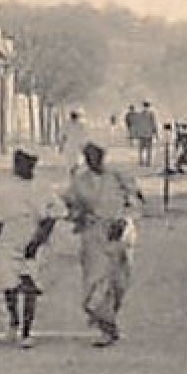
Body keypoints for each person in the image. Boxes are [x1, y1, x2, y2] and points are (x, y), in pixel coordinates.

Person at [63, 143, 143, 347]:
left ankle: (108, 317)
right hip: (94, 233)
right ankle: (107, 326)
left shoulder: (118, 176)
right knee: (94, 280)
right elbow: (71, 206)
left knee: (119, 282)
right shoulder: (80, 182)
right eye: (89, 156)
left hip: (120, 233)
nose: (93, 160)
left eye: (96, 155)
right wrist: (78, 217)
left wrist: (125, 220)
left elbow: (135, 200)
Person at [0, 149, 65, 348]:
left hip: (32, 240)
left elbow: (55, 213)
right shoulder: (4, 190)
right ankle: (14, 320)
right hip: (7, 241)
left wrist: (39, 239)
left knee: (30, 286)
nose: (24, 166)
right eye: (20, 162)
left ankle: (26, 331)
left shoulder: (43, 187)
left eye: (29, 162)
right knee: (10, 285)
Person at [132, 102, 159, 168]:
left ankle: (141, 161)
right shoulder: (151, 114)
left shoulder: (140, 114)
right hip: (148, 134)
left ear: (143, 106)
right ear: (149, 106)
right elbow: (153, 124)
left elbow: (137, 124)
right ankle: (148, 163)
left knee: (141, 149)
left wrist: (136, 133)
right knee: (148, 149)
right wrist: (156, 133)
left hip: (141, 134)